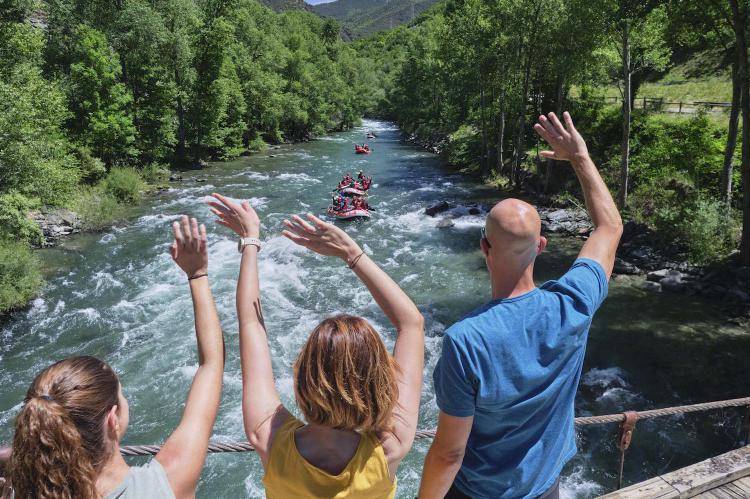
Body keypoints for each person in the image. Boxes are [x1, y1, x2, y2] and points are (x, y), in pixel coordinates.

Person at [419, 112, 623, 499]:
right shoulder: (574, 303)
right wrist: (579, 157)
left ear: (484, 248)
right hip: (545, 487)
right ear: (542, 247)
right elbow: (609, 227)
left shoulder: (465, 340)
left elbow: (449, 453)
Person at [207, 194, 424, 499]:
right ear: (379, 384)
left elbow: (250, 324)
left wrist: (250, 240)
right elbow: (411, 324)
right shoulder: (390, 447)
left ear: (305, 377)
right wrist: (352, 253)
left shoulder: (270, 439)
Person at [2, 216, 225, 499]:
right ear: (112, 421)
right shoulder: (164, 485)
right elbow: (211, 364)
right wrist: (197, 274)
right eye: (122, 395)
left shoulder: (16, 491)